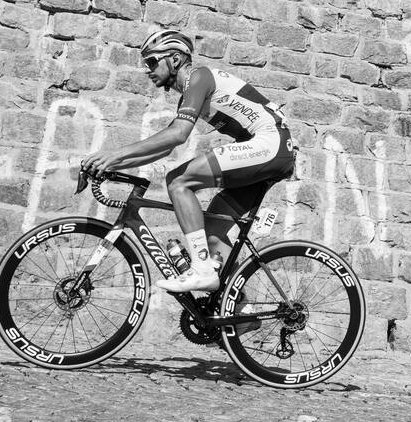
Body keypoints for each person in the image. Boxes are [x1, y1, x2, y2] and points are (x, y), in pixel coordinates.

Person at [80, 29, 298, 294]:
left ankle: (201, 269)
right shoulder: (189, 94)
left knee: (179, 181)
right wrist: (114, 165)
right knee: (215, 230)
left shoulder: (199, 77)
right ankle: (237, 310)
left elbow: (178, 133)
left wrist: (113, 155)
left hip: (270, 143)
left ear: (174, 59)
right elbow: (166, 146)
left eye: (152, 61)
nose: (147, 70)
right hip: (269, 152)